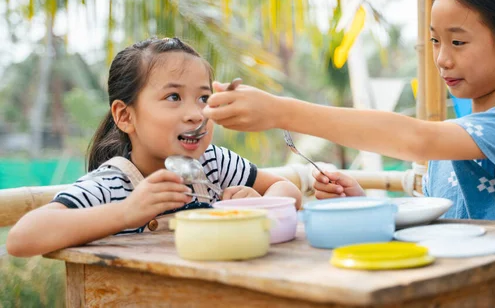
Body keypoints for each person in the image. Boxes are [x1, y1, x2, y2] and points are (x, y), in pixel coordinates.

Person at [203, 0, 495, 224]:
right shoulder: (451, 141)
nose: (442, 59)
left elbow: (416, 139)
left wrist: (280, 112)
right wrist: (361, 200)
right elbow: (437, 224)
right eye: (434, 41)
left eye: (458, 42)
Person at [7, 37, 302, 257]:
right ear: (125, 116)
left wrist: (255, 205)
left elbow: (287, 190)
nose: (196, 114)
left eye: (203, 98)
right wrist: (127, 211)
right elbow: (21, 239)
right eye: (174, 97)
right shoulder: (111, 186)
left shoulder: (213, 164)